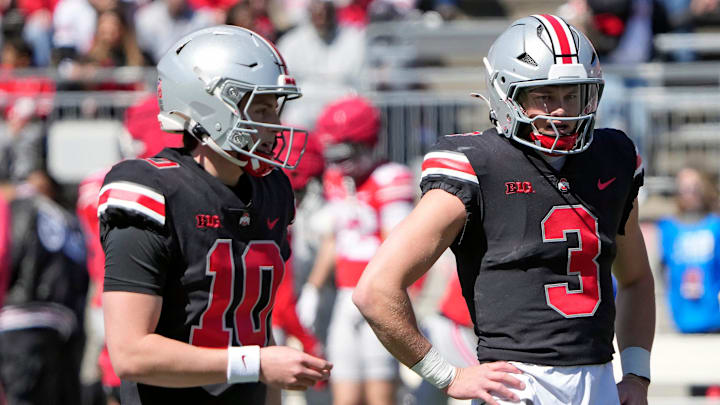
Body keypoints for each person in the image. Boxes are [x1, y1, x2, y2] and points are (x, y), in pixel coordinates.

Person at [353, 14, 655, 405]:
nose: (562, 112)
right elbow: (375, 289)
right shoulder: (477, 164)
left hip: (598, 378)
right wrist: (445, 375)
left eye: (572, 94)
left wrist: (636, 374)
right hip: (517, 384)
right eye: (545, 96)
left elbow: (636, 279)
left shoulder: (612, 157)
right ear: (507, 94)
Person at [100, 25, 332, 405]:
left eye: (274, 107)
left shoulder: (271, 190)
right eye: (259, 106)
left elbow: (258, 328)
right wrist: (253, 363)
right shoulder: (151, 189)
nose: (272, 123)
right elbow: (129, 353)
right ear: (208, 105)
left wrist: (262, 373)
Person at [297, 95, 415, 405]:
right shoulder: (337, 179)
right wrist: (313, 287)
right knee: (344, 392)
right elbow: (333, 240)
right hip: (343, 296)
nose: (338, 163)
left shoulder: (390, 177)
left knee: (380, 394)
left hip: (379, 297)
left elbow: (397, 247)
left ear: (367, 143)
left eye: (345, 152)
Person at [657, 167, 720, 333]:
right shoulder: (668, 227)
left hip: (714, 318)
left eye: (694, 188)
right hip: (681, 319)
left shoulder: (715, 226)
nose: (689, 194)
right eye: (684, 189)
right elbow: (663, 269)